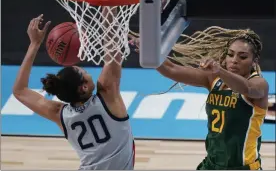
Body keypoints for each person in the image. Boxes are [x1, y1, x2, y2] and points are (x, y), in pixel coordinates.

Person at [130, 26, 268, 170]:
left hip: (241, 167)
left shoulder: (259, 84)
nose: (234, 60)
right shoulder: (214, 80)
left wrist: (220, 70)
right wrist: (149, 52)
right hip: (211, 165)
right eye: (230, 54)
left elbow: (245, 88)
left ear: (254, 61)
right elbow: (171, 69)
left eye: (243, 56)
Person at [13, 13, 135, 170]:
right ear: (83, 87)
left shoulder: (59, 114)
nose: (89, 73)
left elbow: (20, 91)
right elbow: (112, 44)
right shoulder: (107, 96)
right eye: (85, 72)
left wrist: (34, 44)